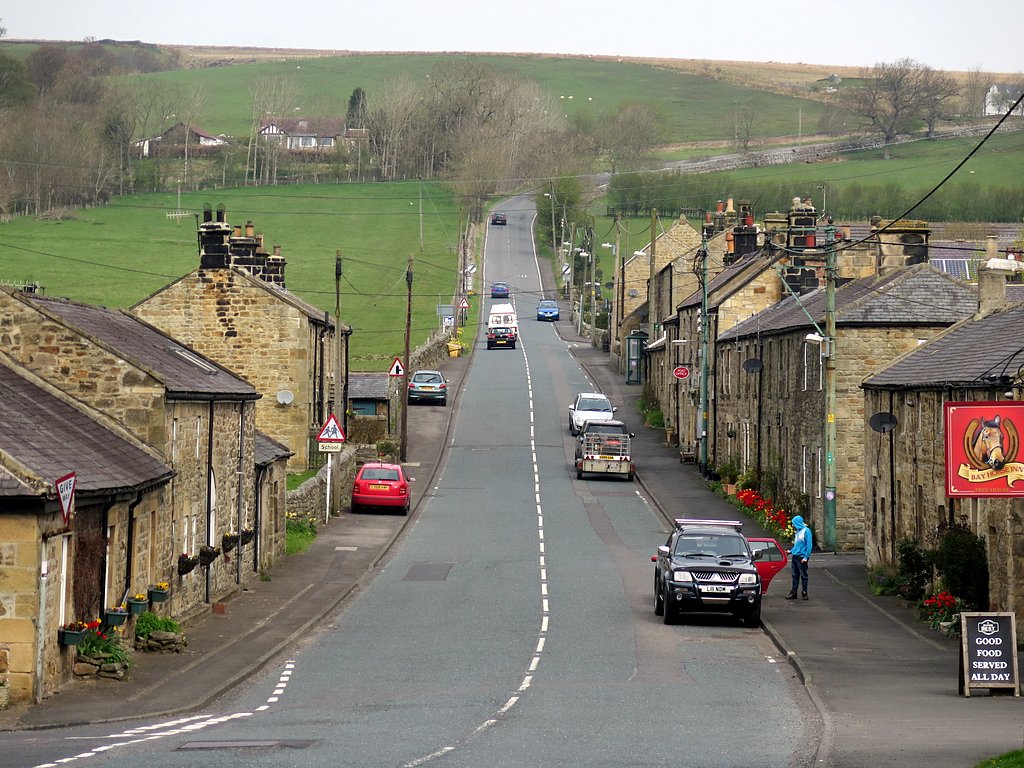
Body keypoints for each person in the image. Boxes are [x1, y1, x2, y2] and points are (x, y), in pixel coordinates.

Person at [786, 516, 812, 600]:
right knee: (795, 575)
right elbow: (797, 545)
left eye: (794, 523)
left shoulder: (806, 531)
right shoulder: (798, 532)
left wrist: (806, 556)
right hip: (795, 556)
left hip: (802, 557)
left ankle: (804, 592)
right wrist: (791, 551)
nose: (793, 525)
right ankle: (794, 592)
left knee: (804, 575)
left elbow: (809, 545)